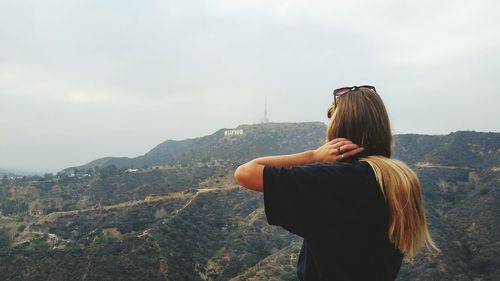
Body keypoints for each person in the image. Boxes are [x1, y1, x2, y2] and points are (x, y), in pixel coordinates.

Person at [234, 85, 439, 281]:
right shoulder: (401, 179)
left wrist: (313, 156)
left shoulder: (331, 180)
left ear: (339, 129)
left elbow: (245, 172)